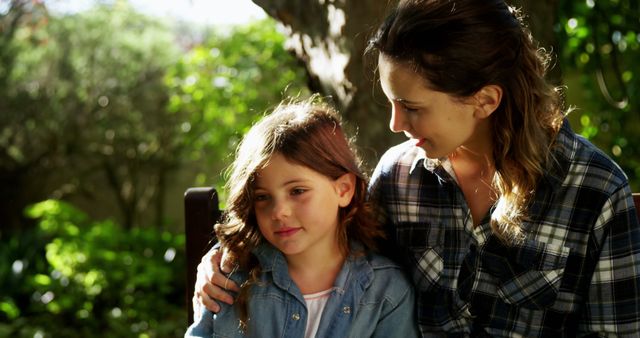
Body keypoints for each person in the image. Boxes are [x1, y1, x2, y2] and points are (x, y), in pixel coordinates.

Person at [194, 0, 640, 336]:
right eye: (390, 102)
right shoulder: (400, 176)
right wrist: (223, 260)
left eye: (411, 106)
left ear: (485, 100)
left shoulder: (595, 191)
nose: (395, 124)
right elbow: (319, 249)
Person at [186, 97, 419, 337]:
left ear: (344, 190)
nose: (278, 212)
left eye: (297, 191)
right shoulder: (229, 278)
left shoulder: (387, 291)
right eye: (263, 197)